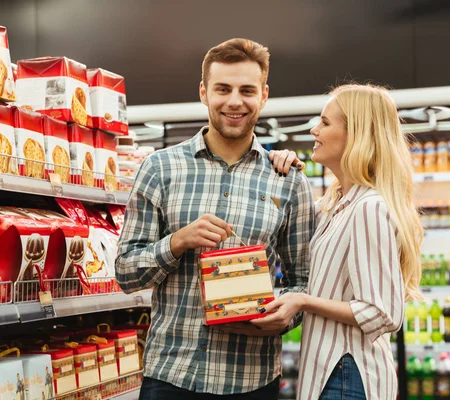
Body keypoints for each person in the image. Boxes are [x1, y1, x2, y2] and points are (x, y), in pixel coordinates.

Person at [115, 38, 315, 399]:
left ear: (264, 95)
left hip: (251, 379)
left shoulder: (289, 181)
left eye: (247, 90)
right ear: (204, 93)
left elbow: (305, 281)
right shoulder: (160, 169)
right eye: (223, 89)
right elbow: (126, 273)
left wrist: (286, 315)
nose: (235, 101)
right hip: (170, 376)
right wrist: (176, 243)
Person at [253, 84, 423, 400]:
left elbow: (382, 313)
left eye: (325, 123)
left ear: (355, 135)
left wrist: (303, 301)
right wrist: (283, 168)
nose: (315, 130)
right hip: (332, 371)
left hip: (348, 373)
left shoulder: (368, 207)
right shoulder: (335, 205)